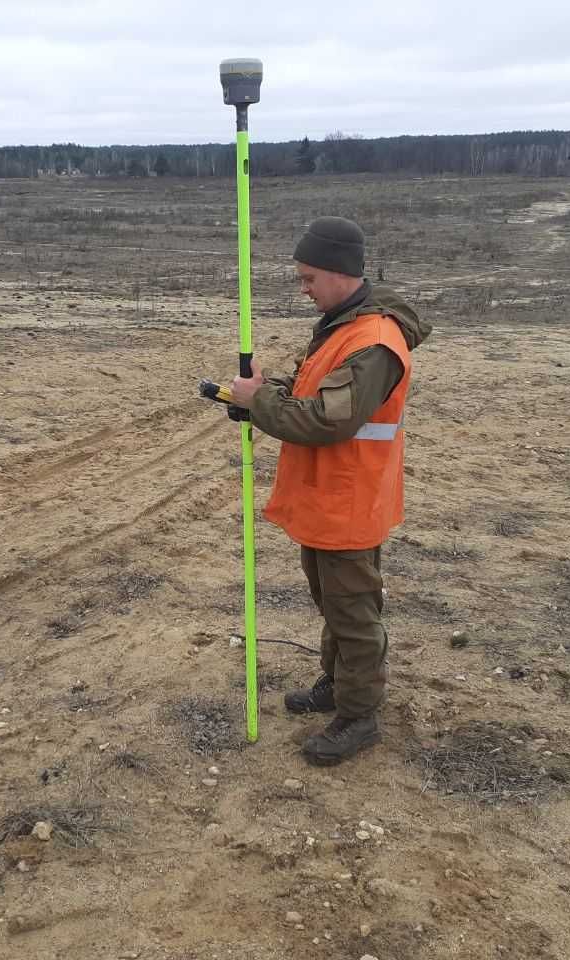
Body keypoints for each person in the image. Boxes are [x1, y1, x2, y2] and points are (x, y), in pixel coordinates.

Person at [230, 216, 430, 765]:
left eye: (310, 277)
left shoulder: (375, 341)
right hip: (327, 496)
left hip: (349, 498)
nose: (303, 287)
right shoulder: (342, 327)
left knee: (353, 611)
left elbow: (327, 420)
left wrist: (260, 405)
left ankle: (359, 715)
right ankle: (336, 685)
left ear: (342, 274)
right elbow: (307, 391)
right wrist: (258, 393)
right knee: (332, 600)